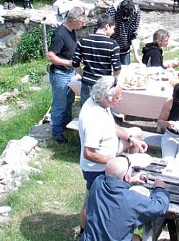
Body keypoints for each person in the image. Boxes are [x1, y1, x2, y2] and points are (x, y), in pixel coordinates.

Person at [78, 77, 148, 239]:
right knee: (91, 202)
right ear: (106, 97)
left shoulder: (101, 105)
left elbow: (110, 125)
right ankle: (84, 232)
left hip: (108, 151)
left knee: (136, 132)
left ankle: (127, 177)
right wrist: (114, 163)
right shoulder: (92, 119)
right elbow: (89, 153)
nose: (120, 99)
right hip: (95, 167)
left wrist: (131, 139)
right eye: (117, 96)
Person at [82, 155, 170, 241]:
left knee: (135, 238)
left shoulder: (98, 182)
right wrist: (160, 188)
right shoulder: (131, 199)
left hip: (91, 238)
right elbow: (160, 206)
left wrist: (129, 180)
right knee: (137, 238)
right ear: (126, 176)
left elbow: (111, 181)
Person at [46, 6, 87, 144]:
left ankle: (66, 125)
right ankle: (57, 132)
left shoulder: (72, 31)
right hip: (60, 74)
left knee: (69, 101)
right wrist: (69, 62)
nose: (84, 24)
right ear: (74, 21)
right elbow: (50, 56)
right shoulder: (60, 34)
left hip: (70, 72)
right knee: (59, 104)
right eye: (82, 22)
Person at [72, 14, 122, 107]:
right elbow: (117, 68)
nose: (113, 32)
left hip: (87, 82)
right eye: (113, 28)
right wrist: (115, 79)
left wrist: (82, 74)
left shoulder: (83, 40)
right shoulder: (113, 44)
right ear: (107, 26)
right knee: (103, 112)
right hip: (104, 85)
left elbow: (75, 63)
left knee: (86, 110)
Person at [106, 0, 141, 65]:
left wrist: (135, 54)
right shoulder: (112, 11)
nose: (125, 19)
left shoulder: (136, 13)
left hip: (125, 49)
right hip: (111, 49)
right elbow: (106, 32)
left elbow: (133, 34)